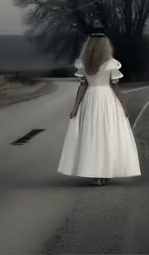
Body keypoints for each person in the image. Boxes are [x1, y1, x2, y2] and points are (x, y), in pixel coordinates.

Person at [57, 30, 141, 186]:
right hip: (107, 100)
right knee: (107, 135)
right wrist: (123, 106)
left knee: (92, 135)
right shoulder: (110, 64)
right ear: (105, 45)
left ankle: (98, 173)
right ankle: (102, 172)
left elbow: (83, 86)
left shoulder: (85, 64)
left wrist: (76, 106)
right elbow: (114, 87)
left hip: (90, 99)